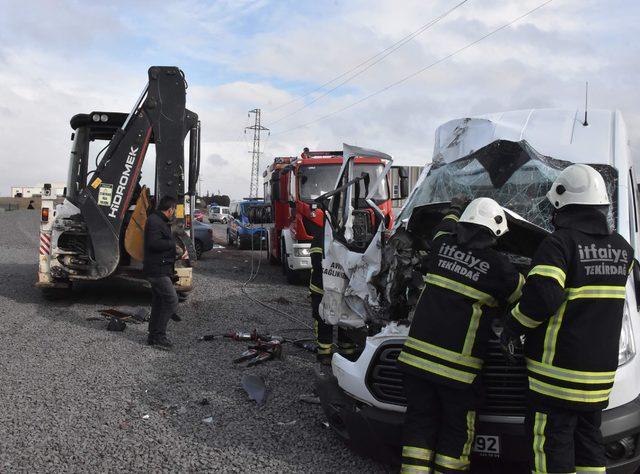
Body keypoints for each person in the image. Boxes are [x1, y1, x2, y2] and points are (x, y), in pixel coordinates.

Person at [501, 164, 634, 473]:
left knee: (551, 450)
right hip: (598, 381)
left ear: (561, 204)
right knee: (589, 448)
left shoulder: (559, 245)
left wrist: (511, 326)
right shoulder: (623, 251)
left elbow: (543, 298)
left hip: (556, 380)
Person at [397, 197, 524, 473]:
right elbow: (525, 296)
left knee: (419, 426)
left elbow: (443, 228)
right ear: (495, 233)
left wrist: (455, 208)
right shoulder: (499, 267)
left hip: (416, 363)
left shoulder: (442, 245)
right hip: (458, 374)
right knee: (456, 434)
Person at [309, 217, 356, 365]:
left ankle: (347, 351)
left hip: (341, 286)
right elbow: (317, 259)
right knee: (324, 317)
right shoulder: (323, 235)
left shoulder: (348, 235)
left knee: (345, 317)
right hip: (322, 287)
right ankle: (324, 353)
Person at [144, 195, 180, 349]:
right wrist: (172, 245)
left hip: (161, 268)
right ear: (170, 209)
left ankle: (152, 336)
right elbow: (154, 243)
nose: (174, 213)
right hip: (156, 270)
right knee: (172, 300)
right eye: (174, 210)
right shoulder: (154, 221)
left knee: (159, 302)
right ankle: (159, 336)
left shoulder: (160, 221)